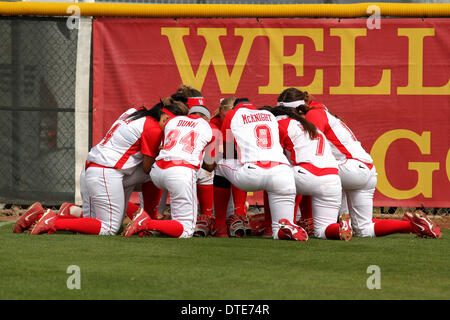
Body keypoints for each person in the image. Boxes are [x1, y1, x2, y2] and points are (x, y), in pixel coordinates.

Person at [277, 88, 442, 239]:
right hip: (366, 170)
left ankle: (301, 221)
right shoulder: (319, 111)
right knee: (364, 229)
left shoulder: (314, 114)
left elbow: (309, 151)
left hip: (349, 167)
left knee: (309, 171)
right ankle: (413, 226)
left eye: (290, 112)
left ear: (301, 107)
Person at [28, 102, 184, 236]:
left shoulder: (134, 112)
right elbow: (147, 168)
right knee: (109, 228)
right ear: (165, 117)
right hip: (106, 172)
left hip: (92, 169)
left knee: (92, 224)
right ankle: (53, 221)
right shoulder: (153, 128)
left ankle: (41, 215)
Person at [215, 98, 308, 241]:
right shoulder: (269, 115)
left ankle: (220, 226)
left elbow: (227, 150)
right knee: (280, 227)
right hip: (282, 173)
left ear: (235, 106)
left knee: (220, 162)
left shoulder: (233, 114)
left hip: (252, 173)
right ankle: (280, 230)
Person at [122, 105, 216, 238]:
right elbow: (209, 165)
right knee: (186, 230)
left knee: (177, 220)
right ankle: (146, 223)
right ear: (207, 118)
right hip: (181, 171)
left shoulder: (173, 121)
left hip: (157, 170)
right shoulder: (208, 126)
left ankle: (147, 216)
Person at [269, 105, 352, 240]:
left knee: (273, 177)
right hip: (332, 179)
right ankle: (338, 228)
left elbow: (273, 157)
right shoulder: (311, 126)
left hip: (305, 173)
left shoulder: (279, 124)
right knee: (323, 230)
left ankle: (287, 226)